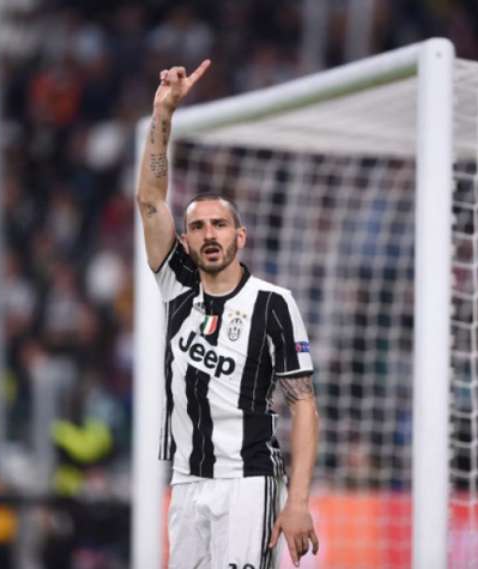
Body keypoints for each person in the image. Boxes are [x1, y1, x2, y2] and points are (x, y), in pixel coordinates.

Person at [136, 60, 320, 569]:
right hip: (187, 482)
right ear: (187, 239)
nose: (209, 234)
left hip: (247, 481)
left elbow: (303, 404)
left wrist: (298, 500)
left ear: (240, 238)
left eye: (220, 225)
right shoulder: (177, 285)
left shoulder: (273, 303)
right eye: (198, 226)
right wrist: (163, 113)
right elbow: (150, 201)